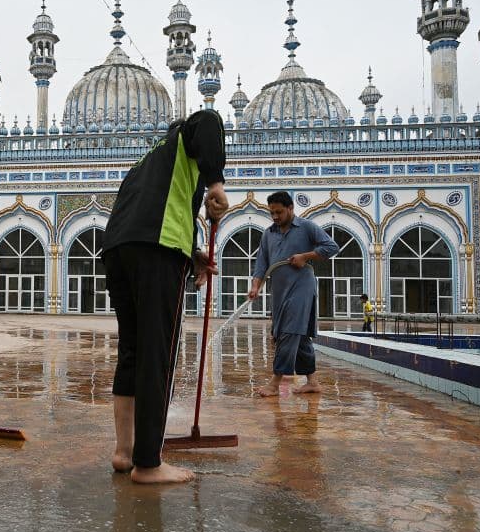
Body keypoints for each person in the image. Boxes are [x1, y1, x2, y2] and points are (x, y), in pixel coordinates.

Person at [103, 109, 229, 484]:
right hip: (158, 251)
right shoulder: (184, 139)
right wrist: (216, 184)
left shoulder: (147, 160)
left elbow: (153, 209)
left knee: (132, 352)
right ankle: (148, 464)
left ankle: (124, 454)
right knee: (158, 355)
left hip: (118, 249)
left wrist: (192, 255)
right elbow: (208, 119)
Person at [247, 191, 339, 397]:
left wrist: (306, 256)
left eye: (279, 212)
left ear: (290, 209)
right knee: (301, 335)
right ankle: (313, 382)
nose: (275, 217)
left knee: (288, 333)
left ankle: (275, 383)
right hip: (279, 292)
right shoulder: (268, 234)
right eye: (272, 213)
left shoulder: (306, 227)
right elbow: (261, 265)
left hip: (301, 287)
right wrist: (255, 286)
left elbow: (332, 246)